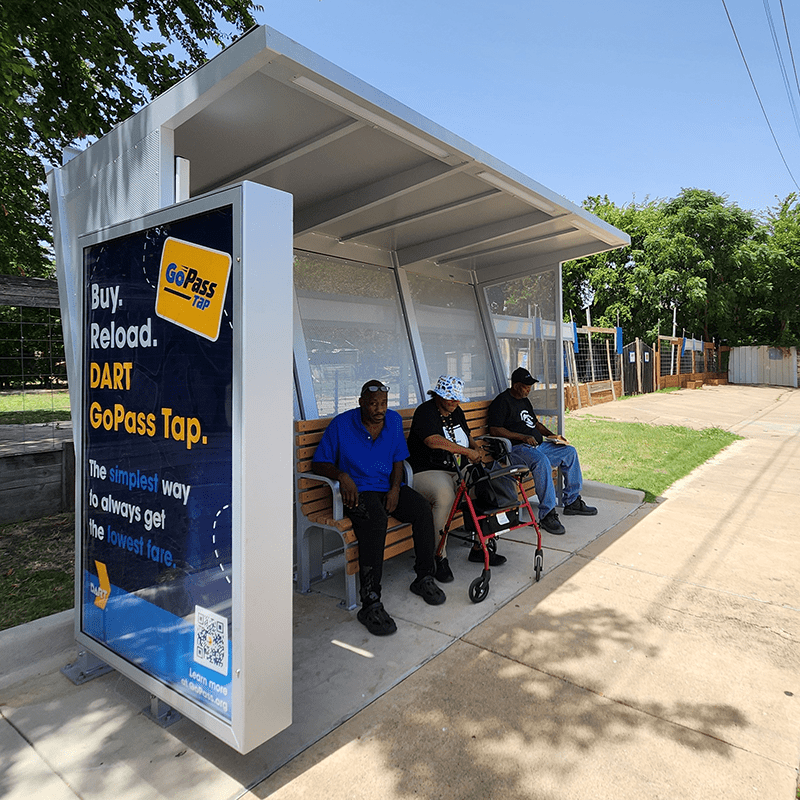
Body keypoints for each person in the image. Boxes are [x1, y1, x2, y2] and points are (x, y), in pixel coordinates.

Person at [312, 380, 445, 636]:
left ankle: (424, 576)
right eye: (373, 403)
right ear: (361, 401)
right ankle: (371, 600)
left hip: (386, 488)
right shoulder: (341, 425)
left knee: (421, 508)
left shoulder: (393, 422)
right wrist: (342, 476)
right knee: (375, 521)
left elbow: (398, 460)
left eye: (383, 403)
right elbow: (320, 462)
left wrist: (395, 489)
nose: (379, 408)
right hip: (357, 492)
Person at [407, 375, 508, 583]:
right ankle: (438, 557)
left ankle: (481, 547)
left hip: (456, 470)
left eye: (457, 398)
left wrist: (475, 448)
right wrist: (466, 452)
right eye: (450, 398)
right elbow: (433, 440)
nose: (455, 402)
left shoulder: (456, 411)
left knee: (484, 485)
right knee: (445, 496)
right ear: (438, 396)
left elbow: (466, 434)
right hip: (426, 471)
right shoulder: (425, 412)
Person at [488, 367, 597, 535]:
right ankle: (547, 514)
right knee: (541, 461)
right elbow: (495, 430)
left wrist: (551, 435)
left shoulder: (524, 400)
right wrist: (522, 437)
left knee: (569, 452)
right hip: (517, 450)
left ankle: (572, 501)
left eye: (530, 385)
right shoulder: (501, 402)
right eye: (526, 386)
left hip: (537, 446)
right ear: (516, 385)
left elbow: (535, 424)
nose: (529, 389)